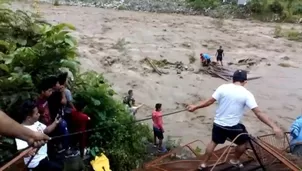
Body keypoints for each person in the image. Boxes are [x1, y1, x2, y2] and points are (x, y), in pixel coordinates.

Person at [187, 70, 283, 170]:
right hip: (232, 127)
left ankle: (203, 164)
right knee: (243, 142)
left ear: (233, 79)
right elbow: (258, 113)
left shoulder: (222, 87)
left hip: (218, 124)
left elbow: (209, 101)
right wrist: (274, 127)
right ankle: (235, 160)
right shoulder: (247, 94)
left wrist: (195, 107)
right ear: (245, 82)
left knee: (213, 142)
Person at [15, 99, 63, 170]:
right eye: (36, 114)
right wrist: (29, 152)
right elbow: (21, 153)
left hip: (44, 157)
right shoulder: (21, 131)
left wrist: (55, 122)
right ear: (28, 118)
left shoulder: (36, 123)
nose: (39, 114)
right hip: (35, 163)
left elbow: (46, 130)